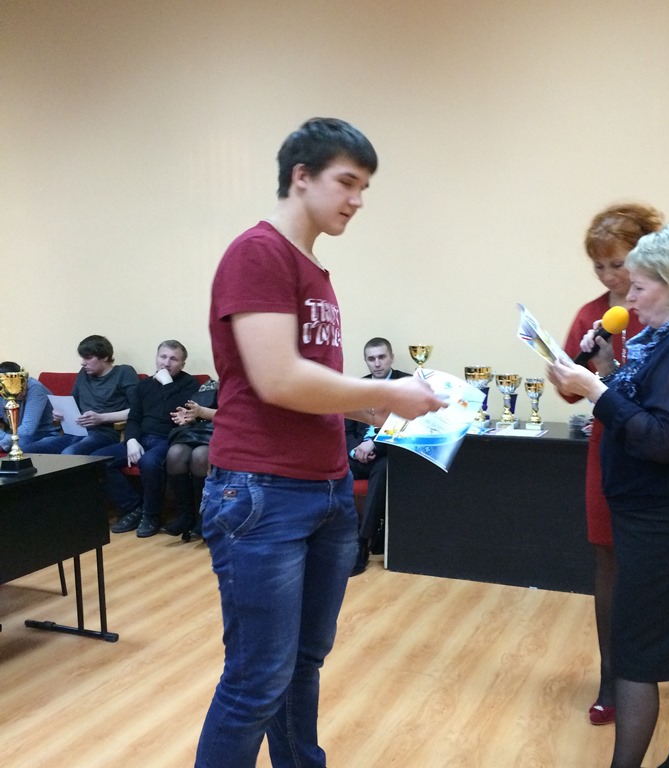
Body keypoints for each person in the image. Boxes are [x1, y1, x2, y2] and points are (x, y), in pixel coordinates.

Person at [196, 117, 445, 768]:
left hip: (325, 489)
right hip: (262, 491)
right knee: (256, 681)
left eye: (364, 188)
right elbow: (277, 380)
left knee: (302, 663)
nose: (357, 200)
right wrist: (388, 391)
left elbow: (313, 390)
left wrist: (394, 408)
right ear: (301, 177)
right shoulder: (259, 253)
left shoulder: (313, 269)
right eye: (347, 182)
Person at [548, 223, 669, 768]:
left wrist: (595, 390)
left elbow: (660, 438)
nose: (627, 299)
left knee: (637, 655)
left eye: (638, 286)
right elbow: (642, 404)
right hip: (668, 518)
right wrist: (606, 366)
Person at [557, 203, 664, 725]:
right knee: (608, 563)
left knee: (654, 564)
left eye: (617, 264)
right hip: (606, 449)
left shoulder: (663, 309)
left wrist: (609, 371)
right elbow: (570, 392)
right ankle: (611, 678)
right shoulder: (591, 312)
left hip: (657, 450)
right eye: (598, 266)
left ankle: (654, 671)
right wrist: (566, 372)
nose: (608, 276)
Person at [92, 340, 199, 538]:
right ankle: (134, 507)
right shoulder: (144, 385)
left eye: (173, 359)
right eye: (163, 357)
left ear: (182, 364)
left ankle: (152, 515)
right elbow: (134, 417)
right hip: (141, 438)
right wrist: (131, 440)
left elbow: (177, 413)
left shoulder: (190, 384)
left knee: (149, 462)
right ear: (156, 358)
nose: (166, 363)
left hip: (169, 439)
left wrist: (167, 383)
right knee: (98, 460)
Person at [345, 336, 410, 575]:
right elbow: (345, 429)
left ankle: (361, 542)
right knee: (332, 468)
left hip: (386, 453)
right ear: (366, 361)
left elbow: (407, 426)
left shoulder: (406, 384)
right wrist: (355, 450)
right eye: (371, 359)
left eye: (382, 357)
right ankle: (339, 536)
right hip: (356, 455)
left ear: (391, 357)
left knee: (383, 470)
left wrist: (373, 444)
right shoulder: (357, 388)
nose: (377, 363)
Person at [29, 335, 139, 455]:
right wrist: (60, 413)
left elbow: (137, 410)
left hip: (105, 433)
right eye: (82, 358)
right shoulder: (84, 374)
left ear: (105, 357)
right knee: (29, 450)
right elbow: (72, 404)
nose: (82, 363)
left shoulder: (124, 372)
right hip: (77, 430)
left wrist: (101, 418)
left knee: (70, 453)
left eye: (88, 358)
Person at [161, 378, 218, 539]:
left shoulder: (246, 385)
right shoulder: (209, 385)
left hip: (225, 433)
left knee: (200, 456)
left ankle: (202, 516)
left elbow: (234, 416)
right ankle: (185, 515)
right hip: (199, 431)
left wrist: (202, 412)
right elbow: (196, 412)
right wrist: (190, 417)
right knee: (175, 453)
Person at [0, 361, 60, 454]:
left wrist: (3, 443)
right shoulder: (3, 390)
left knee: (21, 445)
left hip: (43, 433)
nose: (21, 390)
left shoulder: (35, 389)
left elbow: (28, 429)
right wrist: (4, 438)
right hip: (13, 433)